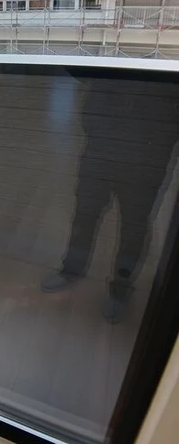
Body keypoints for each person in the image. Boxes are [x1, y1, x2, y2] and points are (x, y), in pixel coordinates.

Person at [41, 73, 179, 322]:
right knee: (85, 213)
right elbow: (76, 70)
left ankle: (121, 288)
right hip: (100, 147)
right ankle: (72, 268)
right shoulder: (111, 54)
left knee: (134, 224)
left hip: (147, 156)